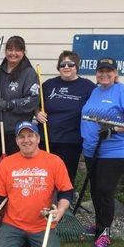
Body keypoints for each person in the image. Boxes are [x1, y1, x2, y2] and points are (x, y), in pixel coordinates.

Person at [0, 121, 73, 247]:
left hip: (42, 225)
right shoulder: (7, 164)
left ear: (38, 138)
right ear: (17, 141)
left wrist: (61, 210)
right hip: (13, 224)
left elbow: (66, 192)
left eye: (30, 135)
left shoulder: (54, 161)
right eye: (21, 137)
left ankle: (30, 244)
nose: (26, 140)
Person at [81, 58, 124, 247]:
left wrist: (113, 130)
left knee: (105, 190)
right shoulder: (96, 90)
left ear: (116, 73)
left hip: (116, 151)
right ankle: (99, 225)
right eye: (100, 71)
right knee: (96, 191)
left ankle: (105, 232)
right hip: (93, 149)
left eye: (109, 71)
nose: (104, 74)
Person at [36, 50, 96, 184]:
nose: (66, 67)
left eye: (70, 64)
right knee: (44, 176)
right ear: (58, 67)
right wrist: (37, 113)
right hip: (46, 139)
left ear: (77, 67)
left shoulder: (88, 87)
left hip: (71, 142)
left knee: (66, 177)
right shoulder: (48, 85)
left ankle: (64, 203)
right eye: (63, 65)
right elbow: (35, 105)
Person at [0, 35, 40, 167]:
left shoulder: (29, 73)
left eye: (17, 50)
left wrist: (11, 104)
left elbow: (33, 99)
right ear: (5, 51)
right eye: (10, 49)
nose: (13, 53)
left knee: (13, 169)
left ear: (23, 52)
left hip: (13, 133)